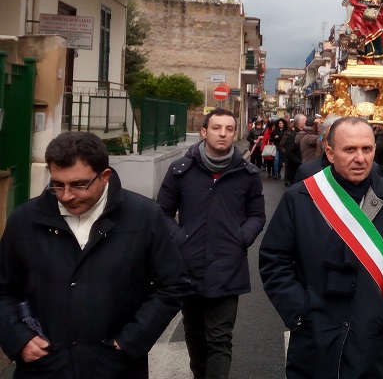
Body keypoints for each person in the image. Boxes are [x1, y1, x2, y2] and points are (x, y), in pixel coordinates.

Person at [0, 132, 191, 378]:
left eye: (79, 184)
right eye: (57, 184)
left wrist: (130, 341)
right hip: (44, 369)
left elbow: (173, 285)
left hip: (115, 368)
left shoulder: (144, 217)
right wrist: (18, 339)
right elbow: (4, 290)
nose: (66, 195)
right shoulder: (24, 221)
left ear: (105, 176)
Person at [260, 116, 383, 378]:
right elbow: (274, 260)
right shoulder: (300, 197)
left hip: (372, 336)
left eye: (367, 149)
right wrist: (299, 313)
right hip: (314, 335)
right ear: (330, 153)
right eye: (350, 149)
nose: (360, 158)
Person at [157, 108, 266, 379]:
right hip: (188, 266)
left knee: (220, 338)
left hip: (228, 267)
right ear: (204, 132)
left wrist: (241, 239)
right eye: (217, 128)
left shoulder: (247, 174)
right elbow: (162, 213)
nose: (223, 134)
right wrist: (181, 239)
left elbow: (257, 215)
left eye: (229, 129)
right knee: (194, 334)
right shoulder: (181, 170)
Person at [281, 116, 305, 186]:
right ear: (300, 124)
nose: (306, 123)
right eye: (305, 121)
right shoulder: (293, 136)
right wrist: (300, 162)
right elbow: (289, 153)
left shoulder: (302, 133)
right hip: (295, 170)